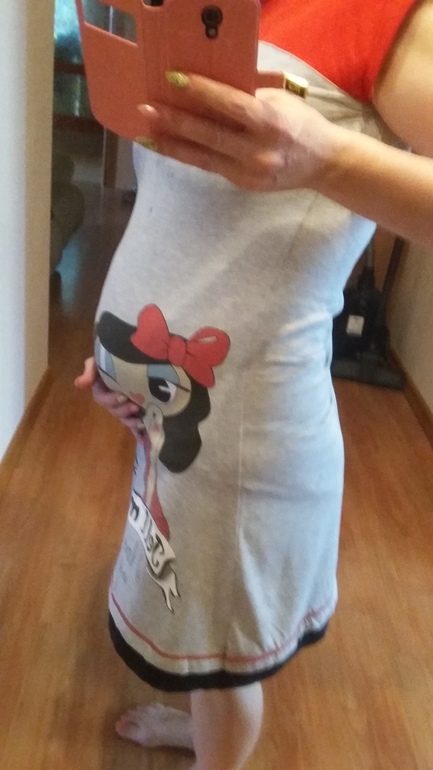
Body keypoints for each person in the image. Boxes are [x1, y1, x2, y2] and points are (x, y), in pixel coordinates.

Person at [75, 1, 433, 768]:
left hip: (246, 442)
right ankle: (200, 730)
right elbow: (184, 218)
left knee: (222, 653)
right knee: (201, 623)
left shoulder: (387, 16)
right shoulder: (220, 11)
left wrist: (328, 159)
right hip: (175, 416)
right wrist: (123, 362)